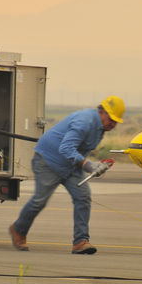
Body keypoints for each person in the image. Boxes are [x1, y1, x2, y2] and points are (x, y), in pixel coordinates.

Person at [9, 95, 125, 254]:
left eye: (116, 121)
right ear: (102, 112)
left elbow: (78, 150)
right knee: (39, 201)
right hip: (47, 161)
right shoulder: (84, 122)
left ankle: (80, 242)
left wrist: (96, 166)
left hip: (69, 166)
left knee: (83, 197)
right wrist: (88, 165)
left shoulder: (100, 128)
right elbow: (66, 148)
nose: (113, 123)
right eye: (111, 119)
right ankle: (19, 229)